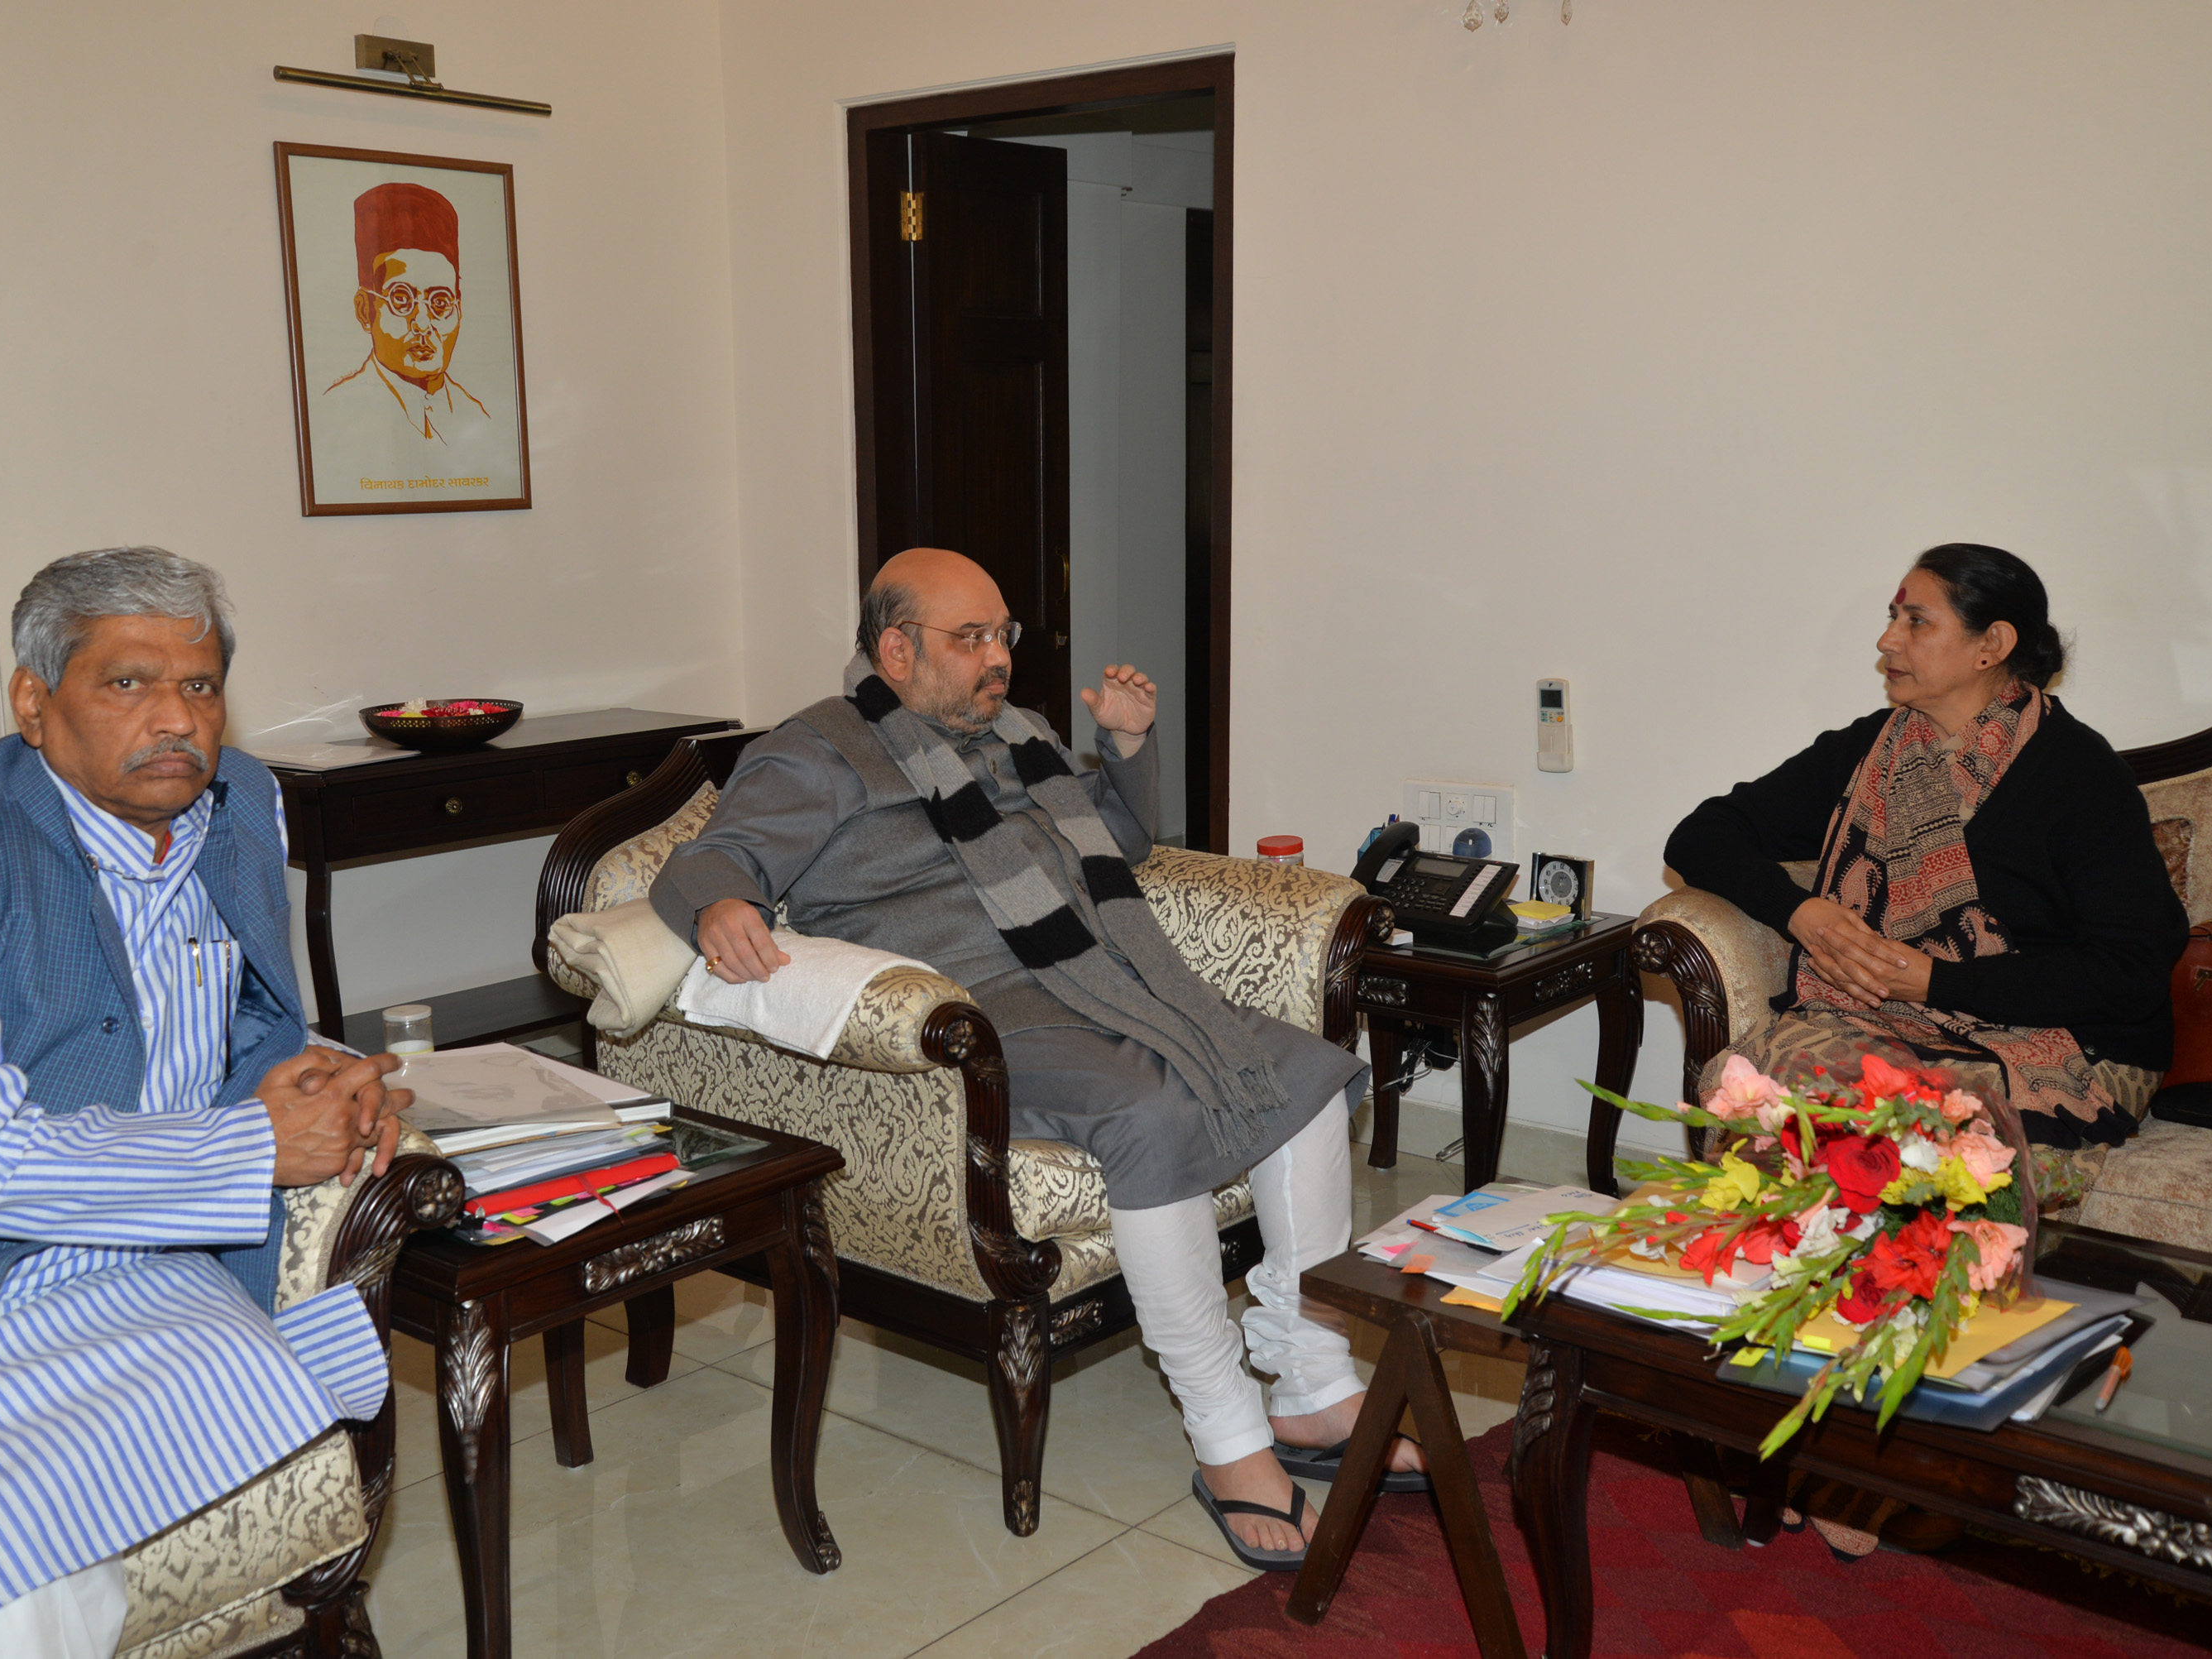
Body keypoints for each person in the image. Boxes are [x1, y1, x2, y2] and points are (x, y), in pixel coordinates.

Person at [648, 547, 1419, 1569]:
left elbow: (1122, 842)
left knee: (1305, 1075)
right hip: (983, 1010)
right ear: (894, 647)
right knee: (1148, 1116)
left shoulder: (1024, 733)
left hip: (1102, 976)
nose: (997, 658)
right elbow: (710, 858)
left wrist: (1126, 744)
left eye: (1002, 633)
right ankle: (1226, 1433)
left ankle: (1311, 1380)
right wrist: (720, 902)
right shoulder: (820, 752)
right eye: (968, 639)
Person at [0, 547, 409, 1658]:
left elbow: (235, 1010)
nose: (175, 719)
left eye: (202, 685)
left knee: (58, 1551)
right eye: (127, 683)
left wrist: (306, 1066)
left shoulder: (243, 802)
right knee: (0, 1589)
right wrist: (251, 1147)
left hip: (129, 1261)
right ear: (35, 702)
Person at [1667, 544, 2189, 1157]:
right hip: (1888, 1019)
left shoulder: (2079, 773)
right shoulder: (1873, 752)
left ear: (1990, 643)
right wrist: (1802, 912)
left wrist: (1935, 981)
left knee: (1911, 1136)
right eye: (1893, 618)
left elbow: (2128, 972)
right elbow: (1702, 834)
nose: (1888, 641)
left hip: (2066, 1040)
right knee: (1773, 1093)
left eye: (1917, 621)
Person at [323, 180, 490, 444]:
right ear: (365, 310)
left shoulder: (479, 417)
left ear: (459, 309)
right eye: (402, 299)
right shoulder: (334, 415)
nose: (422, 324)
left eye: (440, 302)